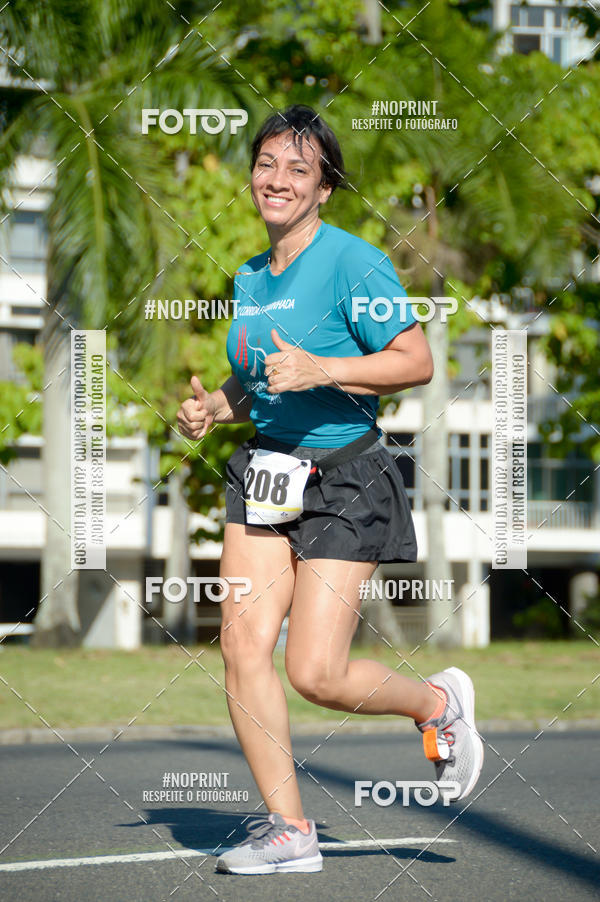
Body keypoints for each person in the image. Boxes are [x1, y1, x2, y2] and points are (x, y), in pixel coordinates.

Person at [176, 104, 483, 876]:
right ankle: (289, 831)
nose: (277, 180)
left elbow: (415, 362)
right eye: (267, 163)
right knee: (242, 643)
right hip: (267, 471)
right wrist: (214, 409)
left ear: (323, 190)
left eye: (298, 169)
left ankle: (436, 705)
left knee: (314, 672)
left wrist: (327, 369)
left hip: (348, 476)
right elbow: (256, 383)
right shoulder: (249, 275)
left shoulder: (355, 263)